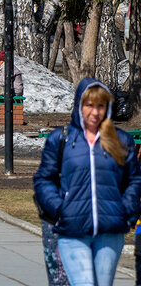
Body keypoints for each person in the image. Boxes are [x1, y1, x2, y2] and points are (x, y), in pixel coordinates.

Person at [34, 79, 141, 286]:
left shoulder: (122, 140)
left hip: (110, 230)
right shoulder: (62, 139)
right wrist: (59, 209)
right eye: (89, 105)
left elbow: (134, 180)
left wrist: (126, 211)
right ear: (79, 106)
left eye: (100, 106)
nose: (95, 112)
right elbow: (43, 179)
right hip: (73, 230)